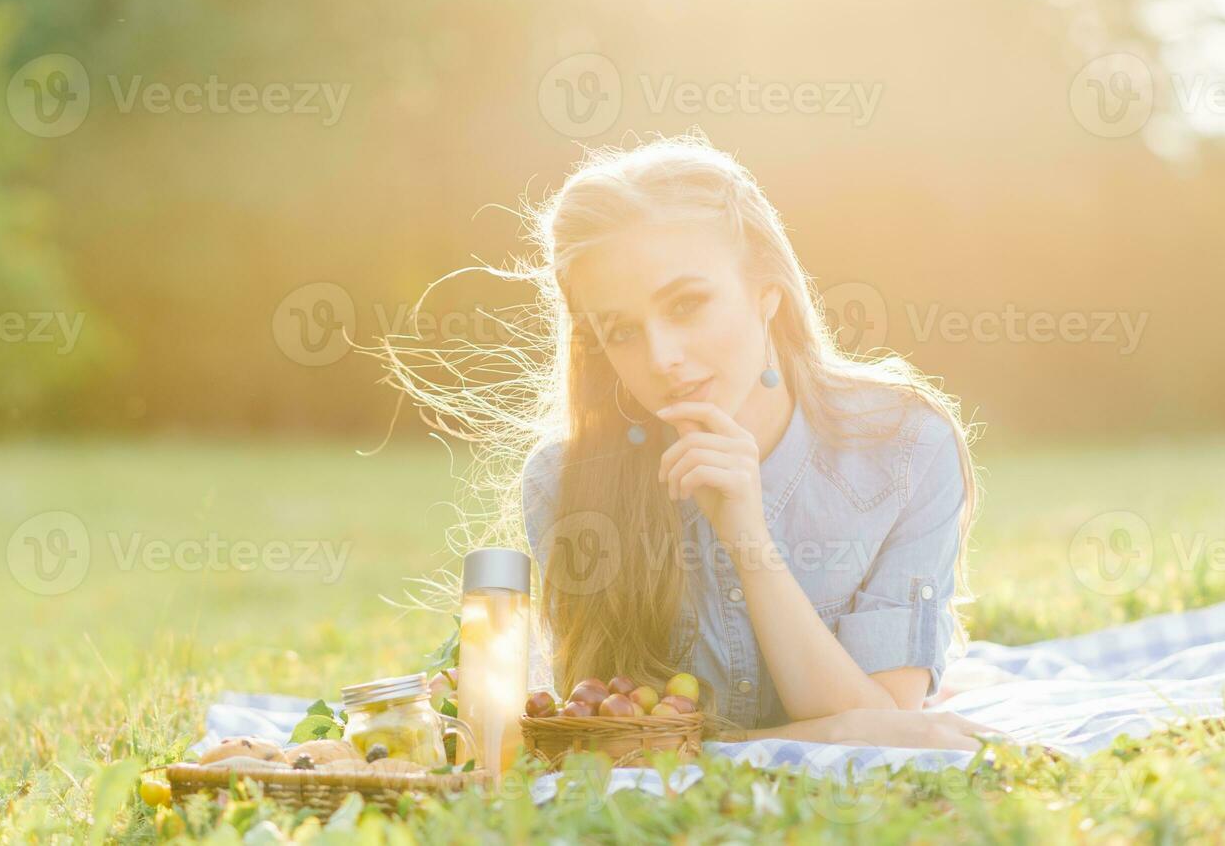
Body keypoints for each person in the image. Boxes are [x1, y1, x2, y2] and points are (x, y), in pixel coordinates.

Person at [382, 130, 1003, 750]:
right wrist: (830, 729)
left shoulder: (904, 447)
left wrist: (746, 537)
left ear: (767, 294)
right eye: (622, 331)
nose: (662, 358)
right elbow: (614, 738)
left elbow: (883, 727)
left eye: (686, 305)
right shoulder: (567, 480)